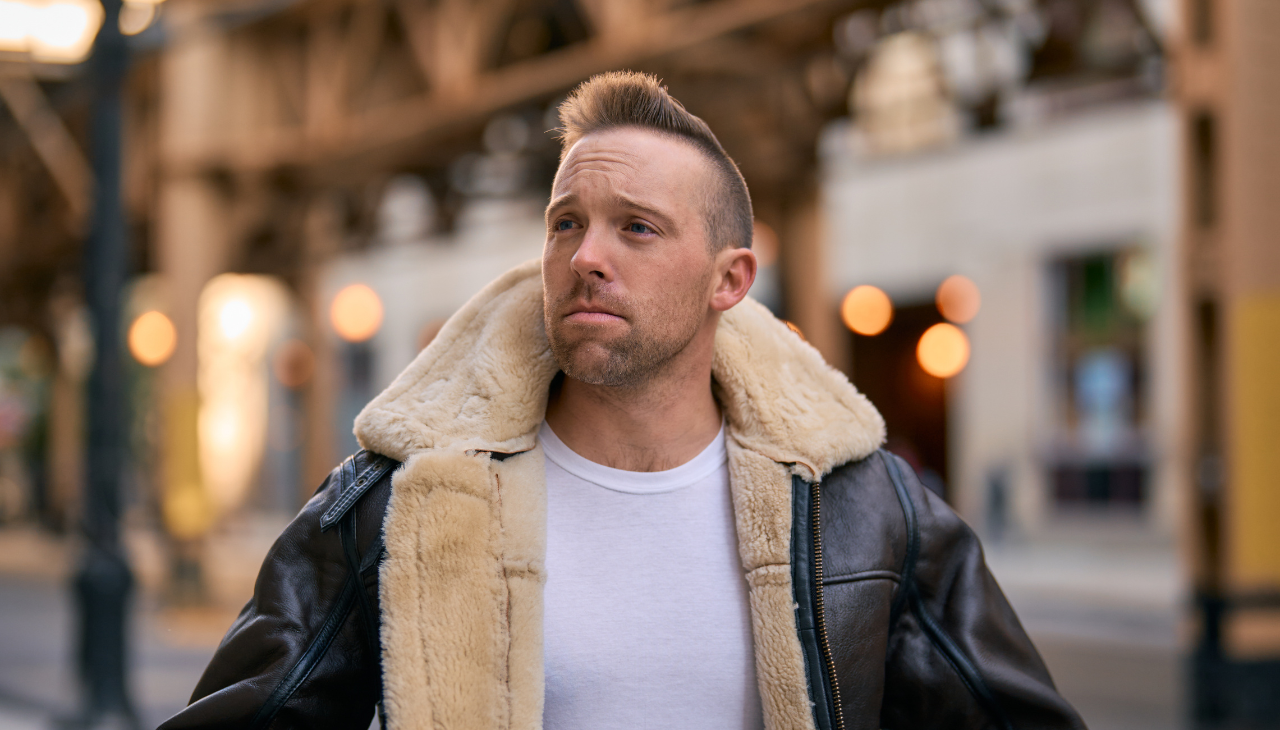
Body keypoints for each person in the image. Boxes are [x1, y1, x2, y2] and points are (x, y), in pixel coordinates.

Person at [160, 71, 1084, 730]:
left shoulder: (864, 506)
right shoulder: (401, 499)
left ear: (730, 280)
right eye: (567, 223)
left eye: (637, 228)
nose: (586, 257)